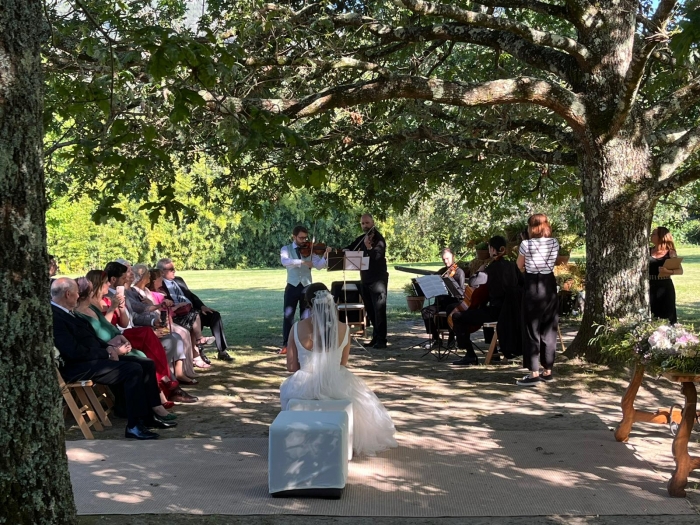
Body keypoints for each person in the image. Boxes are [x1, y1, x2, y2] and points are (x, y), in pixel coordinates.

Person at [280, 283, 398, 456]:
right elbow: (343, 364)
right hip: (336, 383)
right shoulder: (344, 329)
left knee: (286, 391)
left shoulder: (296, 328)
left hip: (303, 386)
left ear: (308, 304)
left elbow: (291, 367)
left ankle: (299, 438)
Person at [51, 278, 175, 439]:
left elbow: (90, 339)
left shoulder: (67, 311)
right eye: (76, 293)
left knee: (146, 364)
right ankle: (134, 425)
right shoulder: (55, 316)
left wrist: (108, 347)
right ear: (68, 294)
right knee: (133, 370)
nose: (78, 296)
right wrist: (108, 353)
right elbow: (73, 352)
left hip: (92, 359)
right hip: (77, 367)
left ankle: (147, 416)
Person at [104, 261, 197, 404]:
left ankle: (170, 384)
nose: (128, 278)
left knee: (171, 338)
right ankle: (167, 387)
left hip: (133, 332)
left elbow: (132, 316)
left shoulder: (120, 293)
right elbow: (114, 325)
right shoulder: (108, 298)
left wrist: (154, 321)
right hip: (124, 338)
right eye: (124, 277)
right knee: (154, 341)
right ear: (112, 280)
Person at [451, 236, 522, 365]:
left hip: (497, 312)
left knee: (457, 316)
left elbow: (473, 283)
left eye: (489, 248)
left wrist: (479, 272)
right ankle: (493, 353)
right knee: (484, 310)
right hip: (512, 311)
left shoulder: (489, 269)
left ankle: (470, 355)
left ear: (493, 250)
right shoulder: (513, 266)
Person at [127, 264, 198, 384]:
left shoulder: (144, 291)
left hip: (156, 321)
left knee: (179, 335)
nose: (149, 275)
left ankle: (178, 373)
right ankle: (168, 376)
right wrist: (155, 313)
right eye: (147, 273)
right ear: (142, 276)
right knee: (176, 335)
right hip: (145, 328)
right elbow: (139, 310)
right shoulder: (133, 292)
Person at [156, 257, 234, 362]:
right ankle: (199, 353)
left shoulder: (178, 280)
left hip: (193, 310)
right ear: (162, 272)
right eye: (171, 269)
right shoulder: (159, 285)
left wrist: (202, 306)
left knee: (215, 315)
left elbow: (190, 295)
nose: (174, 271)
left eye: (174, 268)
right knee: (194, 318)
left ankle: (222, 351)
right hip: (179, 314)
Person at [516, 214, 559, 386]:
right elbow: (552, 262)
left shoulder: (526, 244)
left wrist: (528, 264)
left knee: (531, 329)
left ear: (531, 227)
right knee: (549, 328)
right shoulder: (554, 242)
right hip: (549, 286)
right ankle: (547, 370)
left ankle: (534, 373)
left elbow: (519, 266)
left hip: (533, 286)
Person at [279, 225, 329, 355]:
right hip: (292, 285)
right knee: (288, 315)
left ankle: (305, 343)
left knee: (306, 316)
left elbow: (318, 266)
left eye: (305, 238)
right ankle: (286, 344)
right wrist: (302, 262)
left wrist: (325, 256)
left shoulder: (311, 250)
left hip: (307, 286)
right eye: (301, 238)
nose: (304, 240)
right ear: (294, 236)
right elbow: (285, 261)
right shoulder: (286, 249)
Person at [147, 268, 210, 369]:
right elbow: (163, 311)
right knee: (187, 327)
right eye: (160, 278)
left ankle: (195, 354)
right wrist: (178, 306)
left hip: (172, 317)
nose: (162, 280)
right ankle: (197, 346)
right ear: (154, 281)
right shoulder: (154, 294)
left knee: (194, 316)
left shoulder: (161, 291)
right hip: (169, 320)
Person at [343, 214, 389, 348]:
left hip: (378, 280)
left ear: (373, 223)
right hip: (365, 278)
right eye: (362, 223)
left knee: (379, 310)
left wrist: (369, 248)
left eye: (367, 223)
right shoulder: (363, 238)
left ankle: (382, 340)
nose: (365, 226)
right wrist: (339, 251)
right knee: (371, 310)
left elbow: (378, 257)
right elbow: (351, 247)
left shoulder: (379, 239)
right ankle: (376, 337)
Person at [420, 248, 465, 348]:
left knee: (450, 309)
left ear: (453, 257)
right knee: (425, 311)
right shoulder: (441, 271)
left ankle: (451, 338)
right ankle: (436, 338)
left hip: (453, 302)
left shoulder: (459, 272)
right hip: (440, 303)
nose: (446, 261)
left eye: (447, 258)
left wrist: (450, 281)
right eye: (443, 259)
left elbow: (461, 293)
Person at [649, 226, 682, 325]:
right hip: (650, 285)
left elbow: (680, 271)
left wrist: (668, 271)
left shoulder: (670, 253)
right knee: (652, 311)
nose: (651, 235)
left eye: (654, 234)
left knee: (667, 311)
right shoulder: (647, 250)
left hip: (665, 285)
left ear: (661, 237)